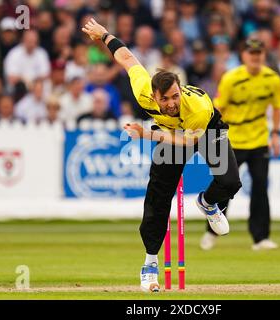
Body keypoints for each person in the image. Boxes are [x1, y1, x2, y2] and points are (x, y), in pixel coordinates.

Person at [82, 18, 241, 293]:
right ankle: (150, 263)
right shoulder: (143, 91)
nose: (171, 103)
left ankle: (207, 202)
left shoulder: (197, 108)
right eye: (165, 99)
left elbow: (186, 141)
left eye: (175, 96)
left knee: (229, 182)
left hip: (205, 129)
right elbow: (128, 58)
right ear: (154, 96)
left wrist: (146, 135)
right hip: (169, 134)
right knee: (158, 196)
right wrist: (105, 35)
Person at [200, 39, 280, 252]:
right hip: (233, 140)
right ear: (243, 55)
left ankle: (260, 238)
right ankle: (212, 232)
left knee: (260, 188)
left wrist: (275, 134)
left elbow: (277, 107)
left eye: (259, 52)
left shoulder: (272, 79)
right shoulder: (231, 79)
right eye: (251, 53)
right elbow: (218, 108)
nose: (255, 57)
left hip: (258, 141)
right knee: (226, 186)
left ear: (264, 55)